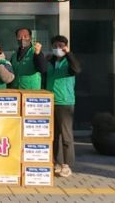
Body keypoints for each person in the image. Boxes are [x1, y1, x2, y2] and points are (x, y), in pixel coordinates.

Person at [46, 35, 81, 178]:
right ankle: (56, 162)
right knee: (53, 135)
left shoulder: (69, 61)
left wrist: (69, 54)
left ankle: (67, 164)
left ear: (66, 46)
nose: (58, 48)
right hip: (49, 101)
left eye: (61, 46)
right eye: (55, 46)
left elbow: (76, 69)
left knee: (66, 135)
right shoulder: (50, 61)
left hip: (65, 102)